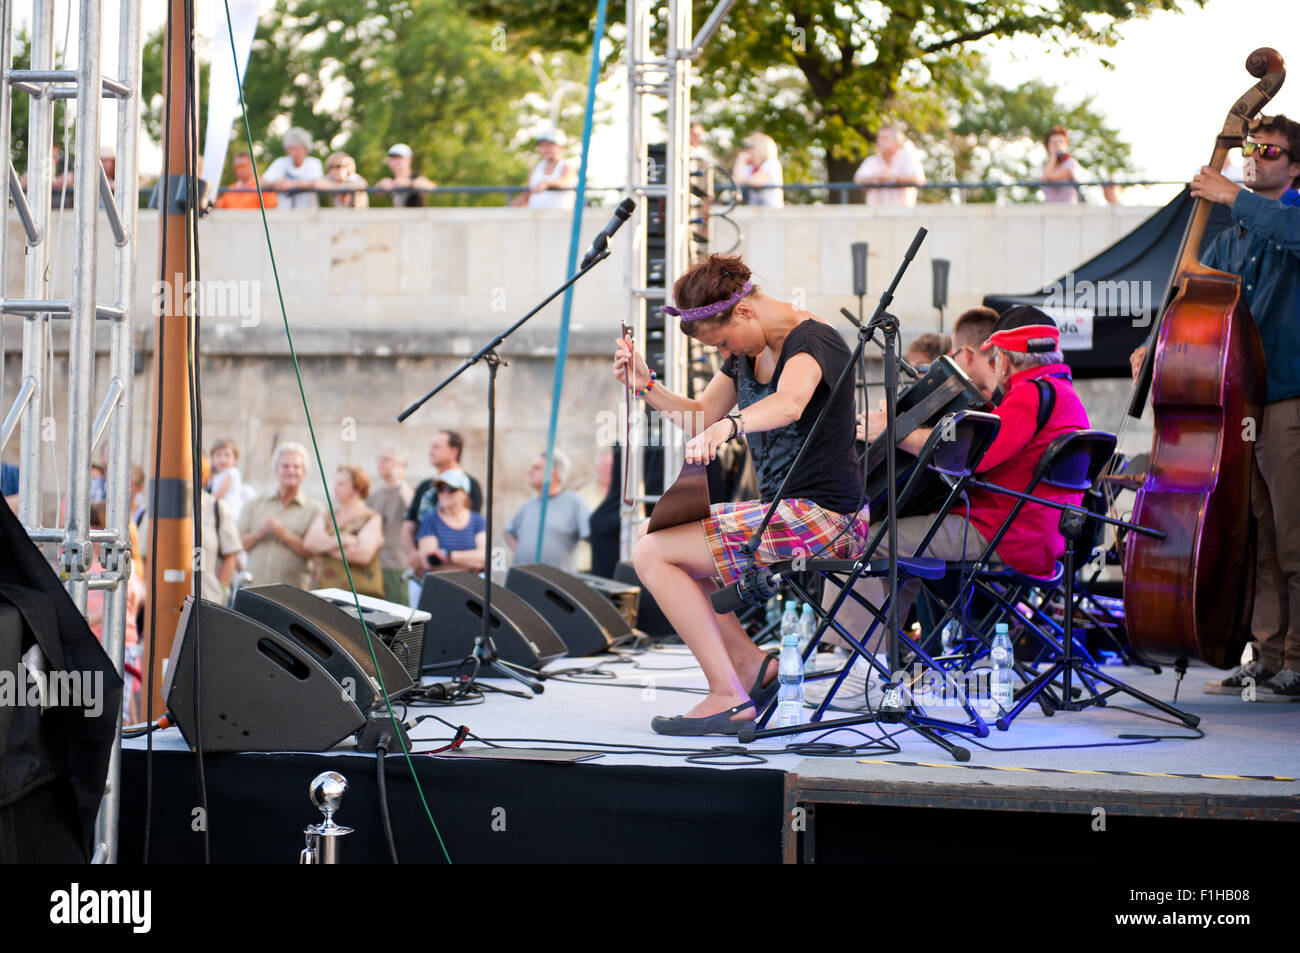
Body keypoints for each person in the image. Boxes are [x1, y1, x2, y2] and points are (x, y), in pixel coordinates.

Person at [613, 253, 869, 735]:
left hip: (826, 519)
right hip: (785, 513)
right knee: (658, 539)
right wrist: (644, 385)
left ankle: (728, 694)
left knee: (653, 554)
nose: (725, 350)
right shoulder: (745, 353)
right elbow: (698, 416)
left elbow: (791, 403)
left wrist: (731, 426)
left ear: (745, 311)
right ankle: (750, 667)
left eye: (724, 340)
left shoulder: (814, 340)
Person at [826, 307, 1091, 707]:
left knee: (863, 538)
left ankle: (856, 668)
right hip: (1037, 536)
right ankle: (876, 663)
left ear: (1002, 358)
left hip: (1003, 532)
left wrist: (894, 432)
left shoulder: (1030, 394)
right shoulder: (1064, 396)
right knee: (903, 551)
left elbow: (975, 455)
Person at [1132, 114, 1300, 696]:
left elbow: (1294, 233)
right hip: (1243, 404)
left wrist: (1231, 194)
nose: (1254, 156)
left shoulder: (1288, 218)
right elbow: (1195, 308)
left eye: (1270, 150)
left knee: (1294, 535)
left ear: (1296, 166)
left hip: (1286, 396)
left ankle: (1299, 657)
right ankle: (1270, 654)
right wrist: (1156, 346)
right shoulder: (1230, 240)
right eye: (1250, 148)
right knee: (1260, 535)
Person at [237, 442, 324, 588]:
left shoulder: (315, 510)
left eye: (296, 467)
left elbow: (316, 554)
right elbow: (237, 544)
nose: (291, 471)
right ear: (276, 469)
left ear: (304, 472)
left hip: (294, 594)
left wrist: (283, 534)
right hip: (255, 590)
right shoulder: (254, 504)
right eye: (285, 466)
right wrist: (259, 533)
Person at [401, 430, 483, 581]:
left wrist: (448, 556)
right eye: (441, 489)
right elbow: (409, 525)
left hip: (465, 576)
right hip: (424, 574)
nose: (430, 451)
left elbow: (475, 537)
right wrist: (414, 555)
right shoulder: (425, 485)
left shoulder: (470, 484)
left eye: (436, 447)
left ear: (453, 451)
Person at [303, 465, 385, 597]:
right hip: (324, 592)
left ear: (357, 486)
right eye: (336, 483)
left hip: (358, 595)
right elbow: (309, 542)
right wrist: (343, 540)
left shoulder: (371, 518)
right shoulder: (327, 516)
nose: (336, 487)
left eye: (341, 484)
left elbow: (363, 555)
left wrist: (324, 546)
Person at [504, 450, 591, 573]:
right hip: (524, 579)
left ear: (554, 475)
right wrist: (521, 553)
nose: (530, 471)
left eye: (537, 468)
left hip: (558, 583)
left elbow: (591, 535)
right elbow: (509, 532)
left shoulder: (574, 502)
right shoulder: (529, 505)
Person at [415, 471, 487, 573]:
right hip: (440, 584)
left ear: (464, 494)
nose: (444, 493)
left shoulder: (478, 521)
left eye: (451, 489)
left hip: (470, 585)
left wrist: (448, 555)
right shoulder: (430, 520)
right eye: (440, 489)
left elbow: (484, 558)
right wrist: (470, 562)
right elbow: (429, 562)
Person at [370, 443, 415, 604]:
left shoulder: (408, 491)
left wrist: (401, 482)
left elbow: (414, 511)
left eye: (386, 459)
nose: (381, 463)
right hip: (374, 566)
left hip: (397, 565)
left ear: (400, 465)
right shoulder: (374, 496)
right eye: (379, 459)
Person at [853, 125, 925, 206]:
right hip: (875, 216)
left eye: (884, 138)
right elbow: (858, 179)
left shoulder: (908, 158)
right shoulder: (871, 161)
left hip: (903, 215)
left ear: (897, 143)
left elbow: (919, 178)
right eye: (878, 138)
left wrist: (892, 178)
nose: (878, 141)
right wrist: (878, 177)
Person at [946, 306, 1002, 401]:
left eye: (954, 356)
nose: (955, 362)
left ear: (966, 354)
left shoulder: (1004, 409)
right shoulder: (1017, 393)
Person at [262, 129, 324, 210]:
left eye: (297, 149)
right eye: (291, 149)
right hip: (284, 213)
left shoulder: (314, 163)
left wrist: (292, 184)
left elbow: (317, 182)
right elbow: (263, 182)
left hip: (308, 214)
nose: (294, 152)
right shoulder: (280, 162)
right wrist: (276, 183)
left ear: (306, 149)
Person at [513, 130, 577, 209]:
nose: (545, 149)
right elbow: (526, 194)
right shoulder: (536, 168)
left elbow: (566, 182)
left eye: (549, 145)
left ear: (560, 147)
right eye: (542, 146)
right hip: (535, 217)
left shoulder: (566, 166)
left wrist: (547, 183)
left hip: (561, 218)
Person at [731, 133, 784, 208]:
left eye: (750, 147)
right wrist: (741, 160)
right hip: (755, 210)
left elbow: (756, 181)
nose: (747, 151)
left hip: (772, 211)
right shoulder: (750, 168)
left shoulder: (772, 164)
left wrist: (743, 180)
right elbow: (735, 181)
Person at [375, 143, 434, 207]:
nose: (396, 162)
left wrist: (410, 183)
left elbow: (431, 187)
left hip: (416, 216)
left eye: (400, 158)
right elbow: (376, 194)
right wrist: (381, 185)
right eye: (393, 158)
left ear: (410, 160)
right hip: (397, 216)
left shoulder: (417, 178)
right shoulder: (390, 181)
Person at [214, 151, 278, 210]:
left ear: (254, 165)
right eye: (236, 167)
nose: (239, 169)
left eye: (243, 166)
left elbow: (271, 211)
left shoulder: (264, 186)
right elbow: (221, 210)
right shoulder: (231, 188)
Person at [1040, 125, 1086, 204]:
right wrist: (1053, 158)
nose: (1057, 145)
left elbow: (1050, 176)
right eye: (1053, 143)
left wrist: (1053, 156)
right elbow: (1045, 178)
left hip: (1069, 210)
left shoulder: (1071, 164)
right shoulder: (1046, 166)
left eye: (1061, 142)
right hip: (1049, 211)